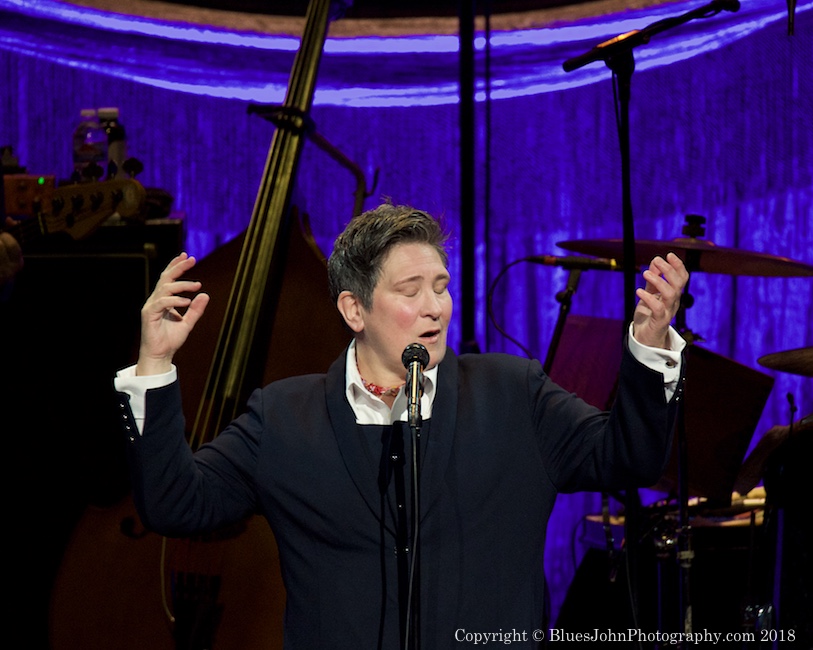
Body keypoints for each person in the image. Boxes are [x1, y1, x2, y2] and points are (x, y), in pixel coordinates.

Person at [114, 201, 689, 649]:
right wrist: (155, 366)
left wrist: (649, 345)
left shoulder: (515, 396)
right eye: (410, 292)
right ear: (354, 310)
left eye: (440, 287)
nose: (435, 307)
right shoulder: (284, 419)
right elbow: (175, 504)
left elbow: (630, 456)